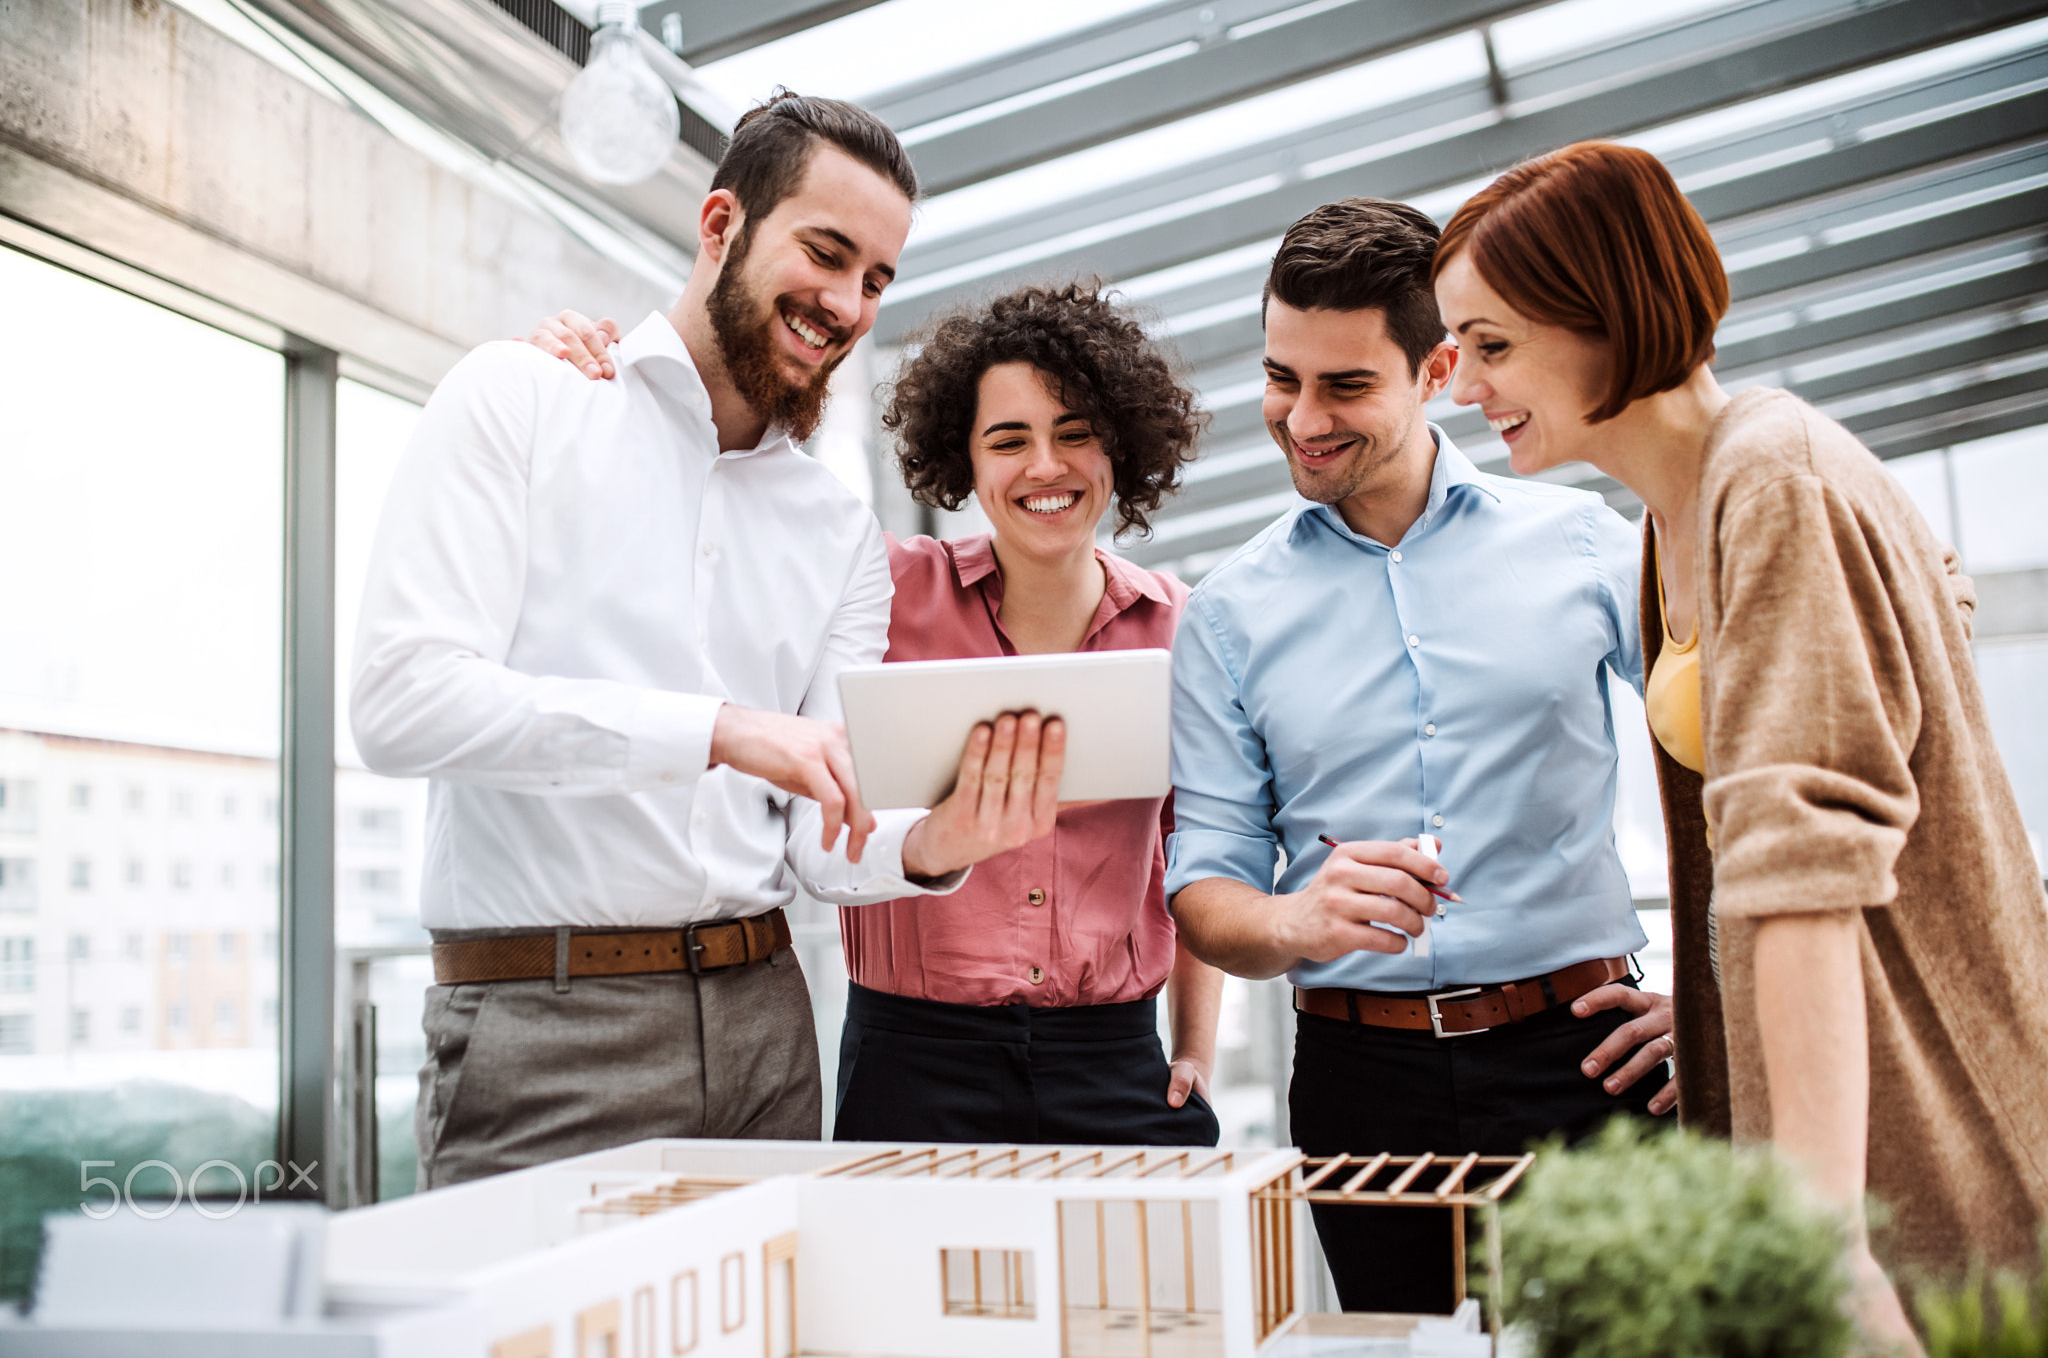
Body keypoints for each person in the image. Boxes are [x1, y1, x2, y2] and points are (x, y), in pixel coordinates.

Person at [350, 92, 1065, 1191]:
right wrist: (719, 732)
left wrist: (935, 842)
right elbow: (403, 704)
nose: (845, 305)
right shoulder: (521, 402)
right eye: (824, 254)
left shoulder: (836, 532)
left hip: (767, 1030)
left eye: (875, 280)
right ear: (721, 222)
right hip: (543, 1034)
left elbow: (819, 839)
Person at [1433, 139, 2048, 1346]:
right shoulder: (1678, 509)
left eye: (1491, 346)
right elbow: (1927, 614)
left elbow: (1802, 859)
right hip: (1832, 1094)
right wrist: (1717, 994)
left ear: (1608, 313)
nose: (1461, 387)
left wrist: (1816, 1239)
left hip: (1910, 1119)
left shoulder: (1772, 478)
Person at [529, 283, 1227, 1147]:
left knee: (1134, 1288)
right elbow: (716, 526)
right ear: (964, 460)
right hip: (914, 1065)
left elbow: (1200, 854)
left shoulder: (1183, 629)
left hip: (1117, 1062)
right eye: (1008, 440)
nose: (1046, 465)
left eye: (1075, 433)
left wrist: (1195, 1046)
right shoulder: (878, 589)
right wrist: (594, 386)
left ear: (1119, 444)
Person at [1165, 198, 1676, 1316]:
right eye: (1277, 377)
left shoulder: (1590, 545)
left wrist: (1718, 1003)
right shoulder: (1224, 615)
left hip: (1587, 1061)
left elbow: (1737, 764)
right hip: (1360, 1087)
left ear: (1437, 367)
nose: (1300, 418)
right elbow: (1202, 884)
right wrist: (1295, 920)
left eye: (1343, 386)